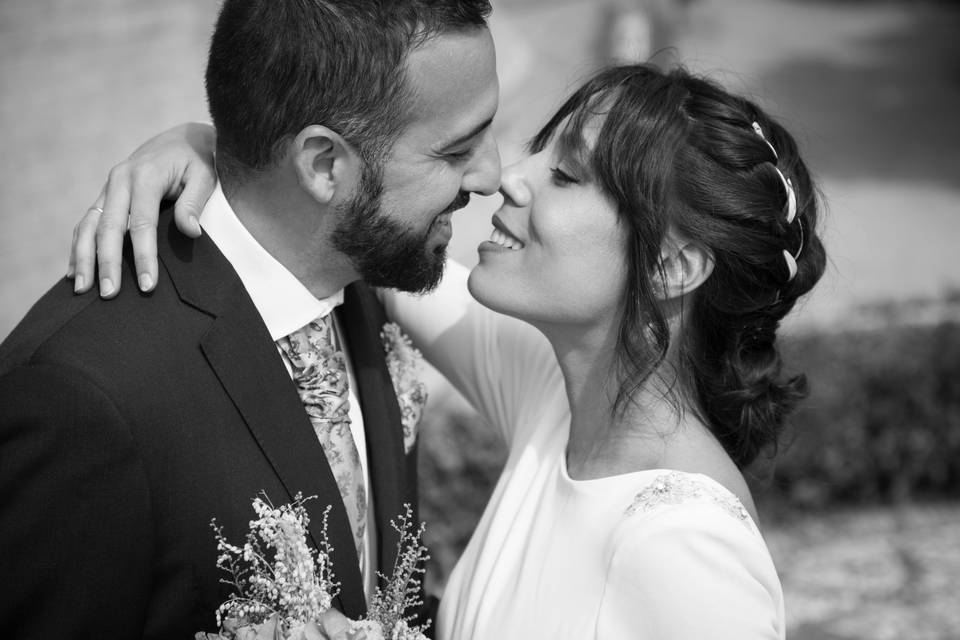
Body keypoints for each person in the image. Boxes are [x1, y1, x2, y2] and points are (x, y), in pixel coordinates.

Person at [70, 63, 826, 638]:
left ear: (674, 267)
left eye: (564, 176)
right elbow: (370, 241)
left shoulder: (682, 546)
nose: (507, 180)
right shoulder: (558, 393)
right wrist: (212, 148)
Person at [0, 1, 499, 638]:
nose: (492, 175)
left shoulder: (361, 266)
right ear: (324, 165)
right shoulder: (81, 396)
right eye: (457, 151)